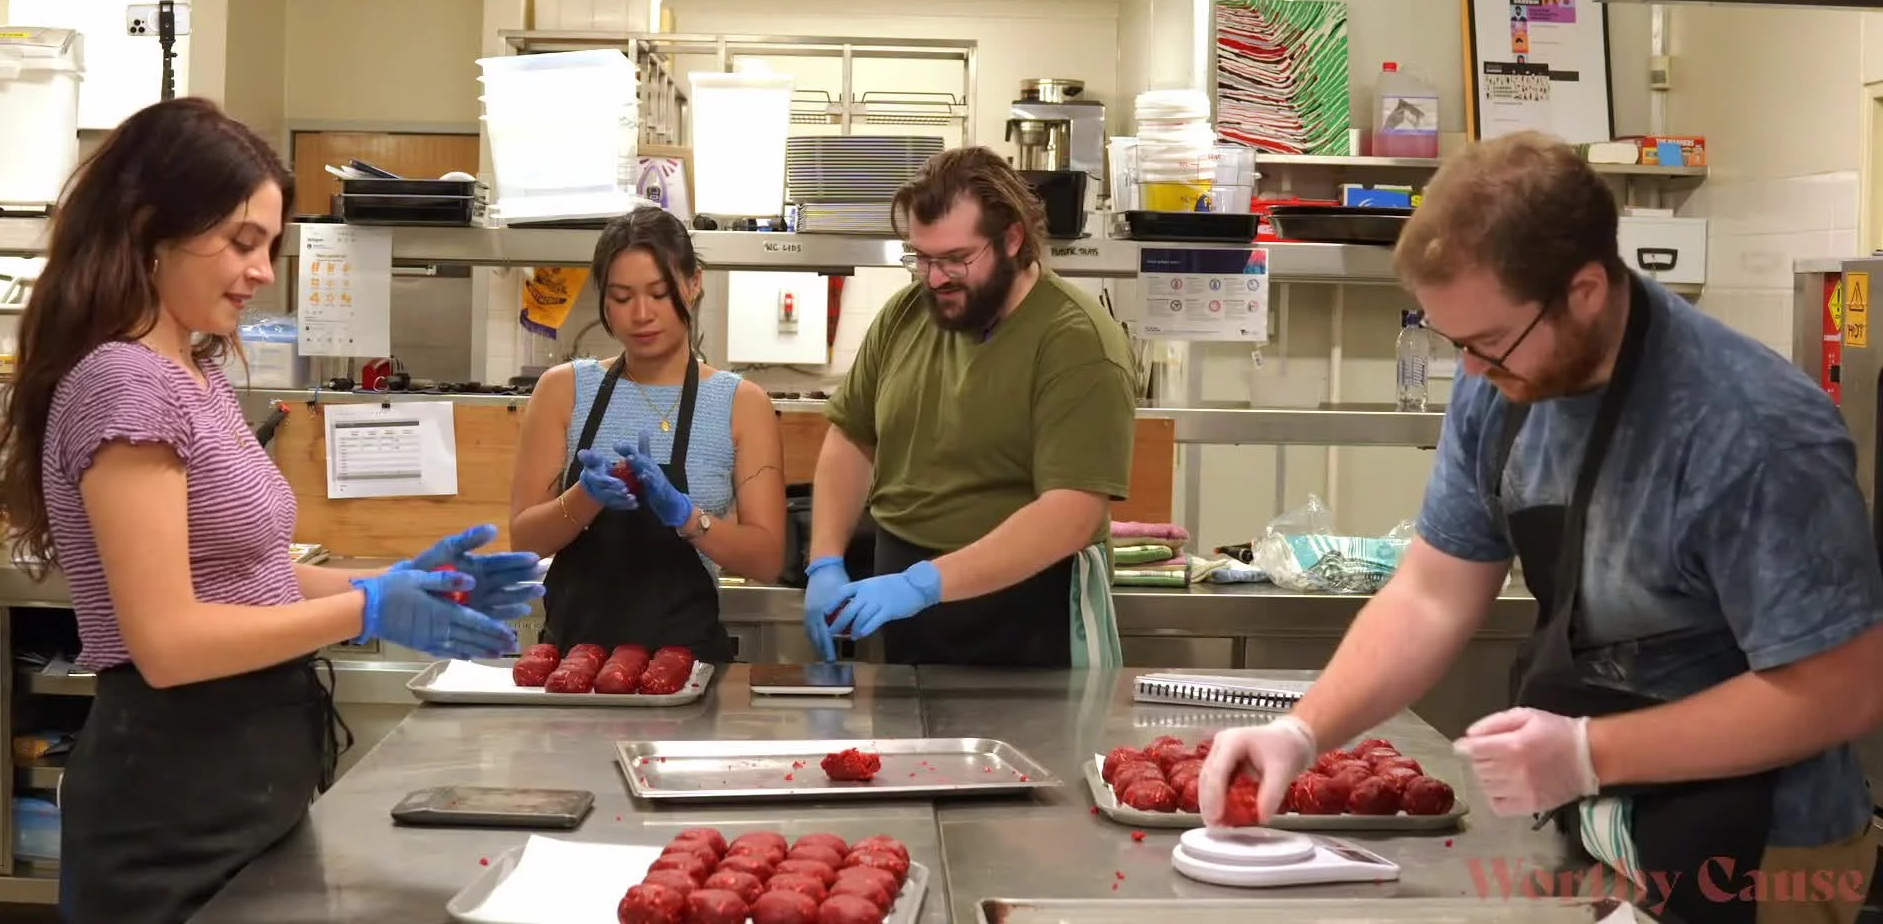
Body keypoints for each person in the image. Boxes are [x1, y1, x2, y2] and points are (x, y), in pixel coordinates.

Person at [1198, 131, 1883, 924]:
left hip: (1764, 854)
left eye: (1489, 343)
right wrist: (1303, 730)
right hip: (1605, 828)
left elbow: (1842, 689)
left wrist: (1589, 754)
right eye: (1458, 344)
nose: (1472, 371)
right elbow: (1431, 594)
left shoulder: (1752, 431)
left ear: (1584, 290)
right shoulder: (1501, 380)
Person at [0, 98, 543, 923]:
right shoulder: (126, 383)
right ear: (149, 227)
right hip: (173, 802)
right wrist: (368, 607)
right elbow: (168, 643)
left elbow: (248, 576)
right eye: (241, 241)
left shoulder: (194, 372)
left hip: (242, 780)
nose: (259, 271)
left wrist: (403, 582)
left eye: (269, 247)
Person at [801, 146, 1136, 668]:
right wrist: (824, 560)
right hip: (907, 614)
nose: (935, 278)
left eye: (956, 259)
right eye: (921, 258)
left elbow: (1071, 512)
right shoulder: (906, 315)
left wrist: (925, 584)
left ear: (1012, 239)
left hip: (1031, 615)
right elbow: (851, 436)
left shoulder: (1077, 342)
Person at [510, 206, 785, 661]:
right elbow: (524, 542)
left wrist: (689, 518)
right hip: (574, 668)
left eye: (659, 293)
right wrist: (585, 497)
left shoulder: (741, 403)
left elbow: (767, 560)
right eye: (621, 297)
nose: (641, 314)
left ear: (693, 284)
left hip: (687, 668)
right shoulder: (563, 390)